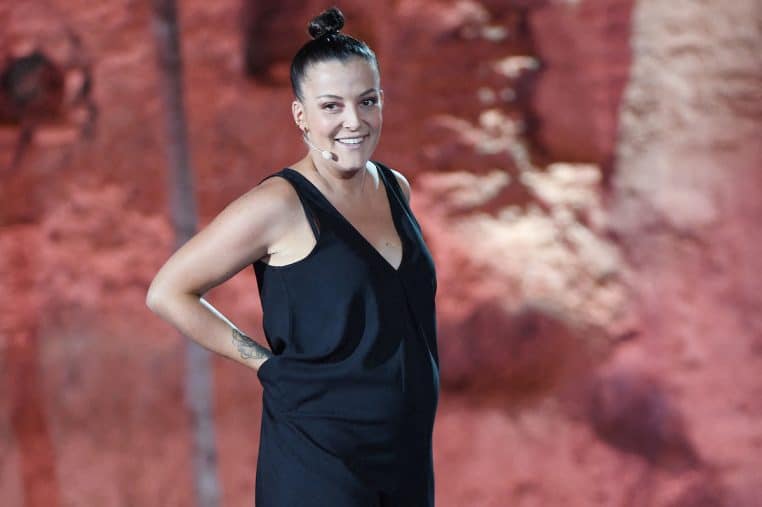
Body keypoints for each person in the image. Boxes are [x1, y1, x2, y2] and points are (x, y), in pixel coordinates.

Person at [146, 7, 440, 506]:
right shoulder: (280, 204)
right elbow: (168, 292)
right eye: (331, 106)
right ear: (301, 115)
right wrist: (264, 365)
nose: (353, 121)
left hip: (404, 461)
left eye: (367, 101)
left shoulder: (395, 188)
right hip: (319, 465)